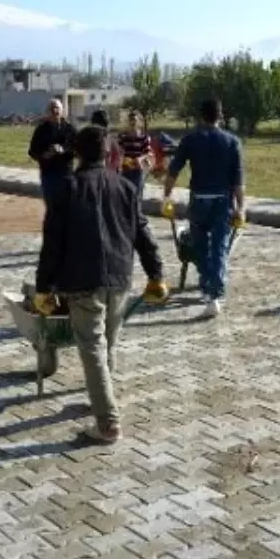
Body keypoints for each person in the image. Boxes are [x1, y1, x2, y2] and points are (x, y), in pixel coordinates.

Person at [34, 125, 168, 444]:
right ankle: (100, 400)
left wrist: (44, 287)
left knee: (92, 347)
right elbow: (143, 235)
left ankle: (107, 422)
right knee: (107, 343)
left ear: (77, 153)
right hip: (119, 278)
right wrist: (156, 274)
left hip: (81, 281)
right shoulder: (124, 187)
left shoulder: (66, 189)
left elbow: (52, 243)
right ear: (109, 154)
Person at [163, 98, 246, 319]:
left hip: (199, 200)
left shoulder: (190, 140)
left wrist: (166, 197)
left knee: (200, 247)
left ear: (201, 116)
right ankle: (214, 293)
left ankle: (207, 287)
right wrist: (241, 207)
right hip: (223, 201)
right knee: (219, 247)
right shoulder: (232, 142)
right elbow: (238, 180)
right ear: (221, 115)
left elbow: (173, 171)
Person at [27, 99, 76, 201]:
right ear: (47, 112)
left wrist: (64, 150)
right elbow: (32, 151)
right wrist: (45, 155)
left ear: (62, 110)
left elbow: (78, 149)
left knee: (68, 206)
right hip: (48, 175)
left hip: (66, 174)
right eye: (51, 108)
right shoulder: (41, 130)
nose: (55, 111)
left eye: (57, 108)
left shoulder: (70, 129)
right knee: (52, 206)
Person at [116, 110, 151, 198]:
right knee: (125, 194)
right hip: (125, 169)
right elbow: (118, 152)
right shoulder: (123, 137)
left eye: (135, 120)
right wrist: (121, 161)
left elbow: (148, 153)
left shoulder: (143, 137)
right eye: (131, 120)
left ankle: (137, 210)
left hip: (137, 169)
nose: (132, 122)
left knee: (137, 193)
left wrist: (141, 159)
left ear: (139, 122)